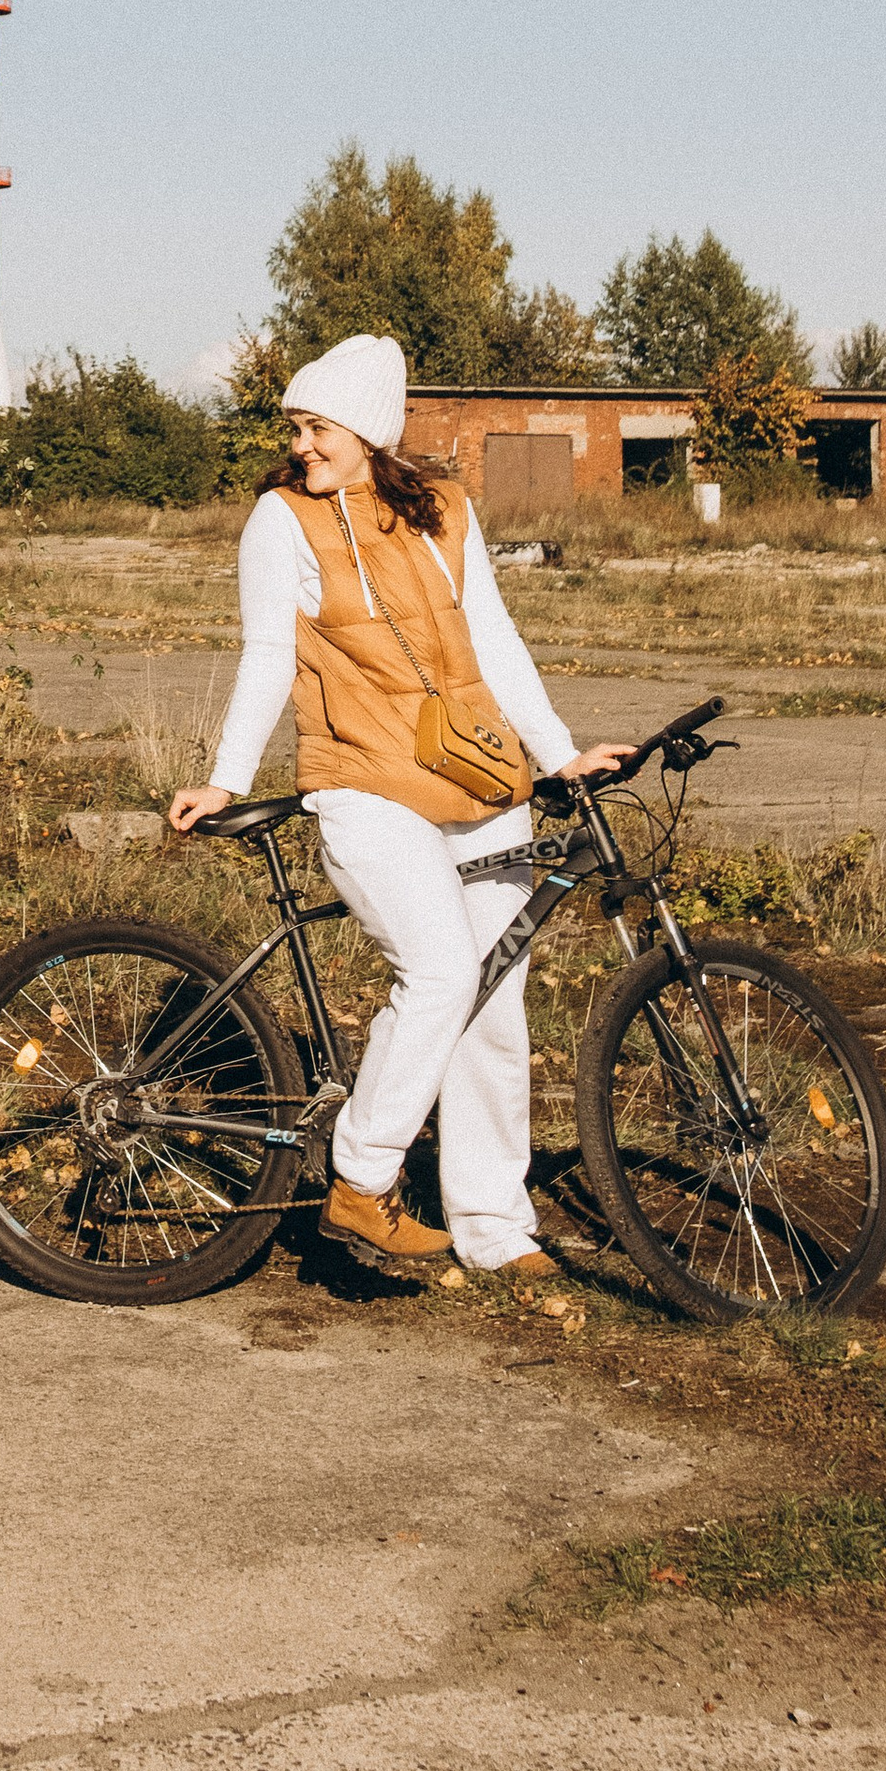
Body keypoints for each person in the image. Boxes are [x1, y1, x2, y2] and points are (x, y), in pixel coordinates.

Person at [168, 333, 623, 1277]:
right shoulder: (281, 519)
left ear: (369, 429)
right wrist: (229, 773)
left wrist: (558, 753)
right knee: (442, 972)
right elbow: (264, 654)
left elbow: (494, 639)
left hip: (478, 776)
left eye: (316, 426)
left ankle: (494, 1227)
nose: (300, 443)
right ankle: (362, 1179)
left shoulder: (445, 510)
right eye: (295, 426)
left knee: (495, 1009)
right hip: (362, 780)